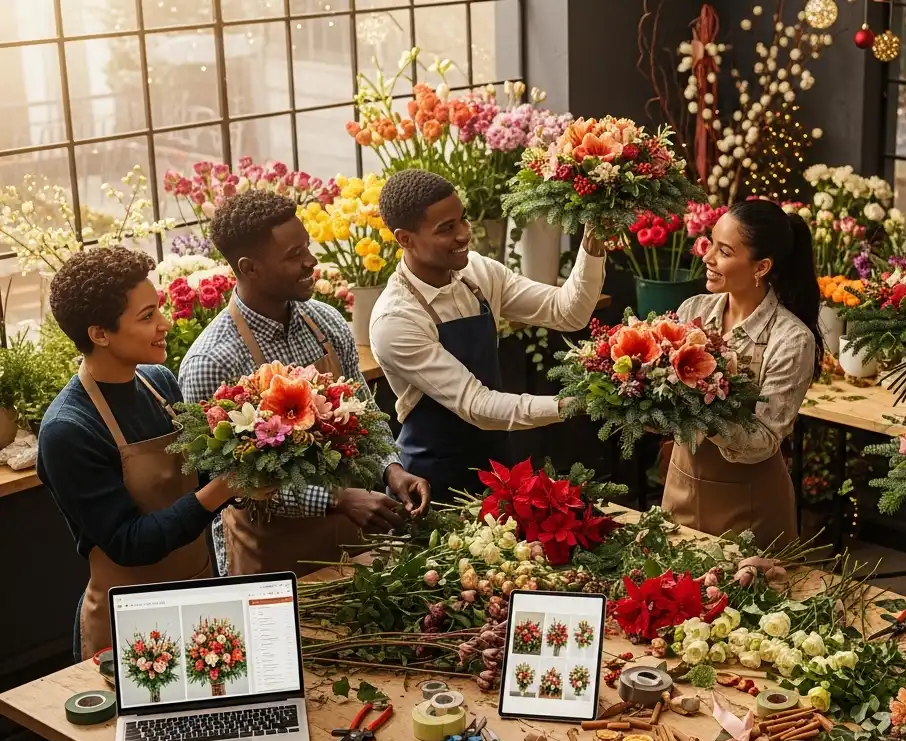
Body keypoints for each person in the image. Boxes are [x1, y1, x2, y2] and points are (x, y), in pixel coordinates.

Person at [180, 189, 430, 577]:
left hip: (351, 538)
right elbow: (231, 487)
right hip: (269, 560)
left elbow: (367, 419)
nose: (310, 262)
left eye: (306, 248)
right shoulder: (211, 361)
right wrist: (336, 498)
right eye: (293, 256)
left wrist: (392, 470)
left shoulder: (326, 323)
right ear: (249, 268)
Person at [38, 247, 251, 657]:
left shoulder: (160, 383)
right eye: (147, 316)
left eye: (159, 309)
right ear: (100, 334)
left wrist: (250, 461)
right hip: (130, 620)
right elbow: (129, 543)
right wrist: (222, 490)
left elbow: (198, 474)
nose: (165, 323)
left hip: (200, 593)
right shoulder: (68, 430)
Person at [368, 169, 607, 502]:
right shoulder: (396, 319)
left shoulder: (478, 273)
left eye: (463, 220)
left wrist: (593, 237)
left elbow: (568, 312)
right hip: (434, 483)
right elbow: (477, 405)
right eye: (446, 229)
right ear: (405, 239)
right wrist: (572, 406)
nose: (465, 234)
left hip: (498, 465)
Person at [661, 199, 822, 546]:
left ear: (761, 266)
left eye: (724, 251)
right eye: (710, 244)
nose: (707, 258)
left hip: (751, 507)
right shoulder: (694, 310)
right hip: (681, 485)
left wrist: (700, 408)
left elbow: (763, 440)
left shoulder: (791, 340)